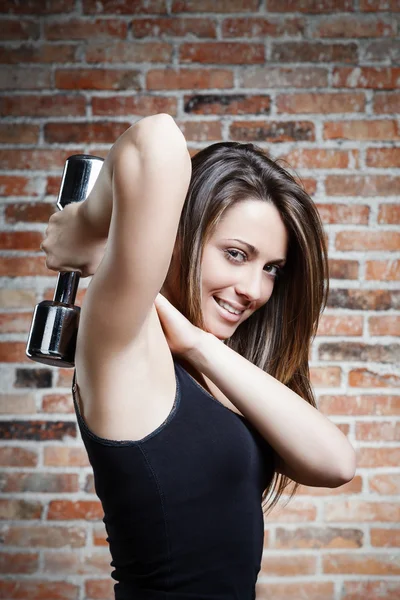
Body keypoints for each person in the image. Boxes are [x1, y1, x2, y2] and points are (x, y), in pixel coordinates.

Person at [41, 113, 356, 599]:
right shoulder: (123, 340)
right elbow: (157, 141)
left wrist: (195, 342)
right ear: (179, 236)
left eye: (271, 268)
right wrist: (84, 228)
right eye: (236, 253)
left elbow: (334, 463)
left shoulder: (198, 361)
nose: (254, 289)